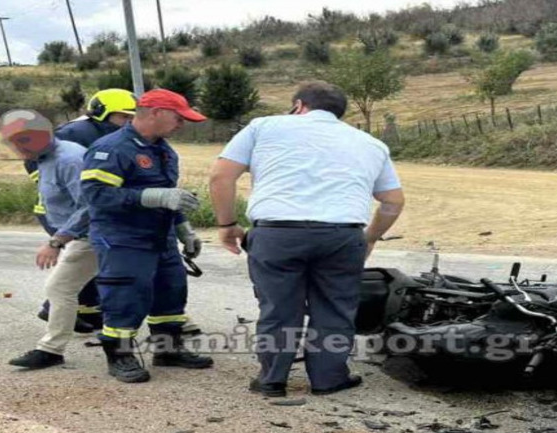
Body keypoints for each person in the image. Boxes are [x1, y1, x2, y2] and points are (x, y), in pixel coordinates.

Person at [210, 81, 406, 400]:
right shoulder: (370, 143)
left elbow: (221, 176)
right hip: (342, 236)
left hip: (276, 234)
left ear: (299, 105)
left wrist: (227, 224)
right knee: (335, 308)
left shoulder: (264, 126)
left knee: (278, 308)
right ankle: (329, 379)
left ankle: (272, 380)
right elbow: (392, 201)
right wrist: (370, 237)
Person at [80, 89, 213, 384]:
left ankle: (168, 350)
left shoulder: (164, 151)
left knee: (171, 292)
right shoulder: (112, 149)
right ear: (155, 113)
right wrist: (152, 196)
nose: (181, 124)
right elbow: (96, 195)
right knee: (126, 295)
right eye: (178, 118)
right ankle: (119, 356)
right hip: (123, 237)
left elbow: (170, 198)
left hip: (160, 236)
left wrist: (183, 229)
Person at [24, 89, 139, 334]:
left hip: (87, 208)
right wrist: (49, 181)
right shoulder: (74, 133)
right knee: (87, 257)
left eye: (132, 118)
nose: (128, 123)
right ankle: (54, 308)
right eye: (122, 117)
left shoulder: (114, 135)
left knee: (90, 259)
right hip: (64, 213)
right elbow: (33, 158)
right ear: (102, 113)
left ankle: (84, 310)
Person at [0, 110, 96, 370]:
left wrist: (56, 242)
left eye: (22, 141)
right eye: (12, 141)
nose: (16, 148)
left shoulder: (70, 159)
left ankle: (51, 350)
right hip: (82, 236)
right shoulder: (46, 158)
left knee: (60, 288)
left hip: (94, 236)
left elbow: (89, 206)